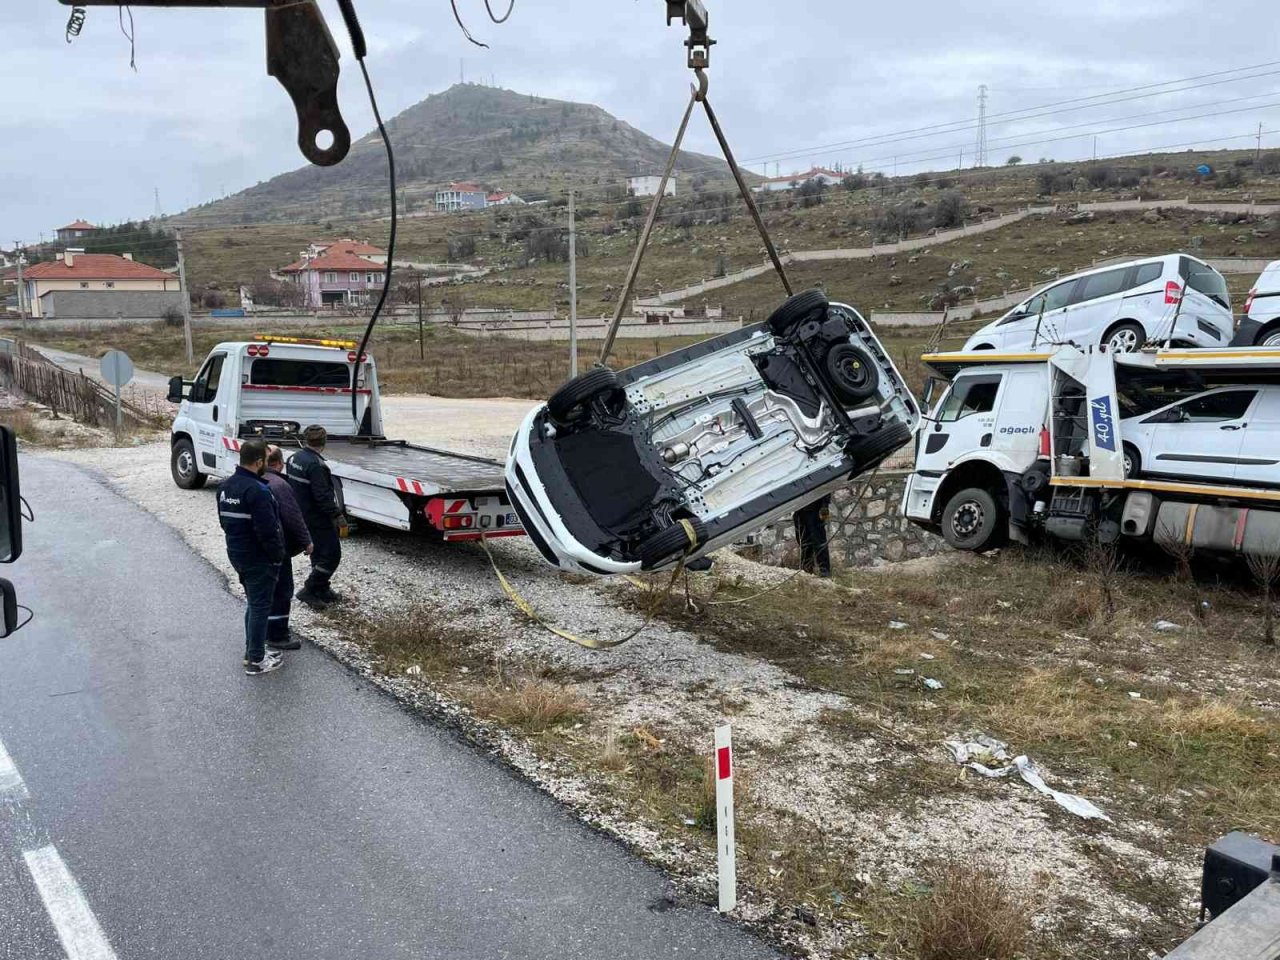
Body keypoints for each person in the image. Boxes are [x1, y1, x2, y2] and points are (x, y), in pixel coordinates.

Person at [217, 439, 287, 675]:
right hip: (259, 558)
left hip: (237, 554)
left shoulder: (225, 487)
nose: (266, 464)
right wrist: (278, 557)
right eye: (265, 461)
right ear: (258, 462)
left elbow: (224, 523)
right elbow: (269, 530)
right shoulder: (258, 491)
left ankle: (253, 651)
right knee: (260, 606)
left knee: (253, 602)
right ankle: (256, 660)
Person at [287, 424, 348, 608]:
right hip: (317, 517)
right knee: (331, 555)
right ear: (324, 441)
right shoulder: (317, 466)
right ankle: (310, 589)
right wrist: (337, 515)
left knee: (317, 552)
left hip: (301, 514)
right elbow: (322, 496)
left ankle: (322, 588)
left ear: (306, 439)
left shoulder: (293, 458)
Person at [264, 445, 313, 650]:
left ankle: (262, 628)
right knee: (283, 589)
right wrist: (306, 541)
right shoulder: (279, 485)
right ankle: (278, 634)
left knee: (262, 591)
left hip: (254, 549)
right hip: (277, 546)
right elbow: (293, 517)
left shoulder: (247, 482)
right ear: (280, 464)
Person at [792, 494, 832, 578]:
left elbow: (825, 487)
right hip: (800, 508)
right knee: (804, 541)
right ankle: (806, 569)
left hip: (815, 508)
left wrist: (824, 506)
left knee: (819, 540)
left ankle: (824, 570)